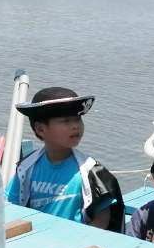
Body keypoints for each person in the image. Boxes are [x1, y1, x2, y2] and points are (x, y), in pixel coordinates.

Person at [6, 86, 123, 231]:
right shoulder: (26, 168)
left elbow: (102, 219)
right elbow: (11, 205)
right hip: (35, 239)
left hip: (74, 241)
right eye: (66, 121)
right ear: (40, 129)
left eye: (78, 119)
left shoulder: (91, 173)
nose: (75, 126)